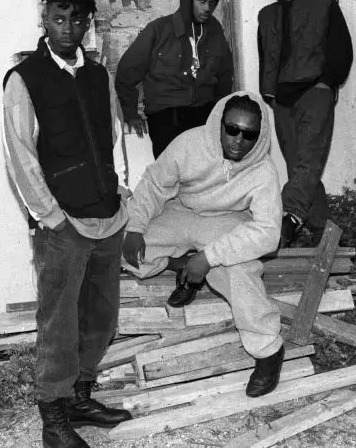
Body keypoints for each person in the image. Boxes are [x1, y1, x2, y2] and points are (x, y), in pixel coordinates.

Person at [2, 0, 133, 448]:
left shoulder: (100, 76)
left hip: (107, 217)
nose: (68, 28)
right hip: (63, 223)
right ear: (45, 20)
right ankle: (54, 421)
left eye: (78, 20)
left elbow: (115, 138)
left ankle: (80, 396)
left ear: (88, 24)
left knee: (101, 316)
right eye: (59, 19)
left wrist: (122, 195)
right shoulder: (25, 78)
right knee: (58, 323)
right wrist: (49, 217)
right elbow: (19, 155)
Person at [122, 92, 285, 398]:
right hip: (181, 212)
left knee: (239, 269)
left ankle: (268, 351)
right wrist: (134, 226)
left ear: (260, 136)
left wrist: (210, 257)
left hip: (225, 222)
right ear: (219, 124)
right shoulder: (189, 143)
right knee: (125, 250)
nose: (238, 140)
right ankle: (184, 265)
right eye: (231, 129)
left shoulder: (263, 171)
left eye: (249, 134)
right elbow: (155, 185)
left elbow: (267, 232)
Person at [257, 0, 352, 247]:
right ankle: (324, 233)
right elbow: (265, 55)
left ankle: (286, 218)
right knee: (299, 164)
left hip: (315, 92)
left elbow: (342, 48)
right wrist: (268, 93)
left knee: (308, 161)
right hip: (282, 99)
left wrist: (327, 81)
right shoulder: (266, 14)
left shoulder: (323, 3)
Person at [116, 0, 234, 158]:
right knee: (170, 179)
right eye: (201, 2)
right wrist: (130, 113)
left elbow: (225, 76)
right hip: (167, 119)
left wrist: (220, 114)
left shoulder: (215, 31)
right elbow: (126, 72)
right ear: (188, 0)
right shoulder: (159, 30)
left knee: (204, 179)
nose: (207, 8)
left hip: (204, 118)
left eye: (211, 3)